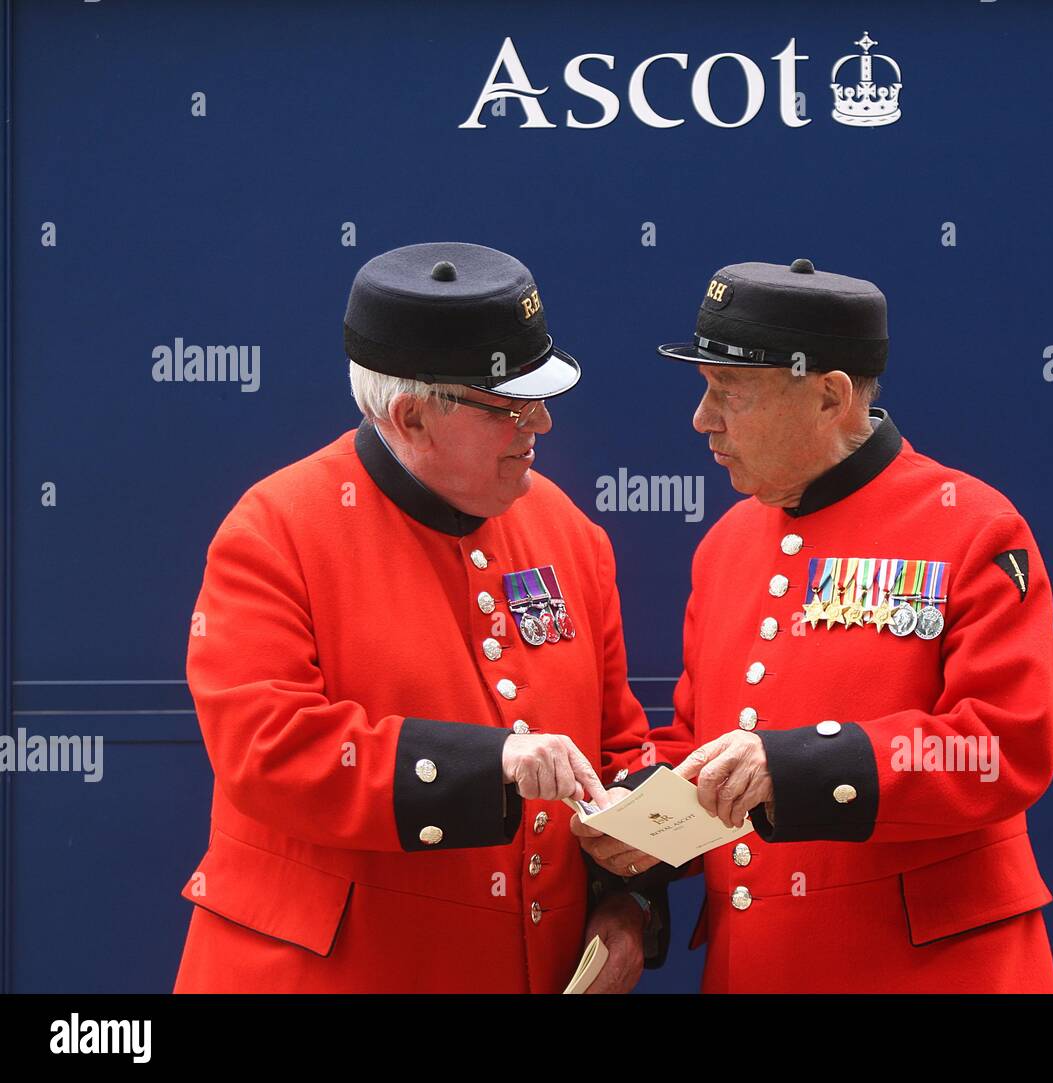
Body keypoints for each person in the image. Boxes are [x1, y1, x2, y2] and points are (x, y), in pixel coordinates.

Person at [173, 241, 677, 993]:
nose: (540, 423)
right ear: (411, 417)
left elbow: (616, 751)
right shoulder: (275, 530)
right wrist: (493, 764)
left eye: (542, 397)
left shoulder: (570, 532)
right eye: (510, 406)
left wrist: (628, 900)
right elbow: (268, 751)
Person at [574, 257, 1053, 992]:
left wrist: (795, 766)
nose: (701, 419)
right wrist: (636, 828)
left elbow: (1002, 746)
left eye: (726, 392)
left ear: (831, 396)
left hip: (931, 974)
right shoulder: (726, 545)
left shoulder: (975, 527)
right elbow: (697, 744)